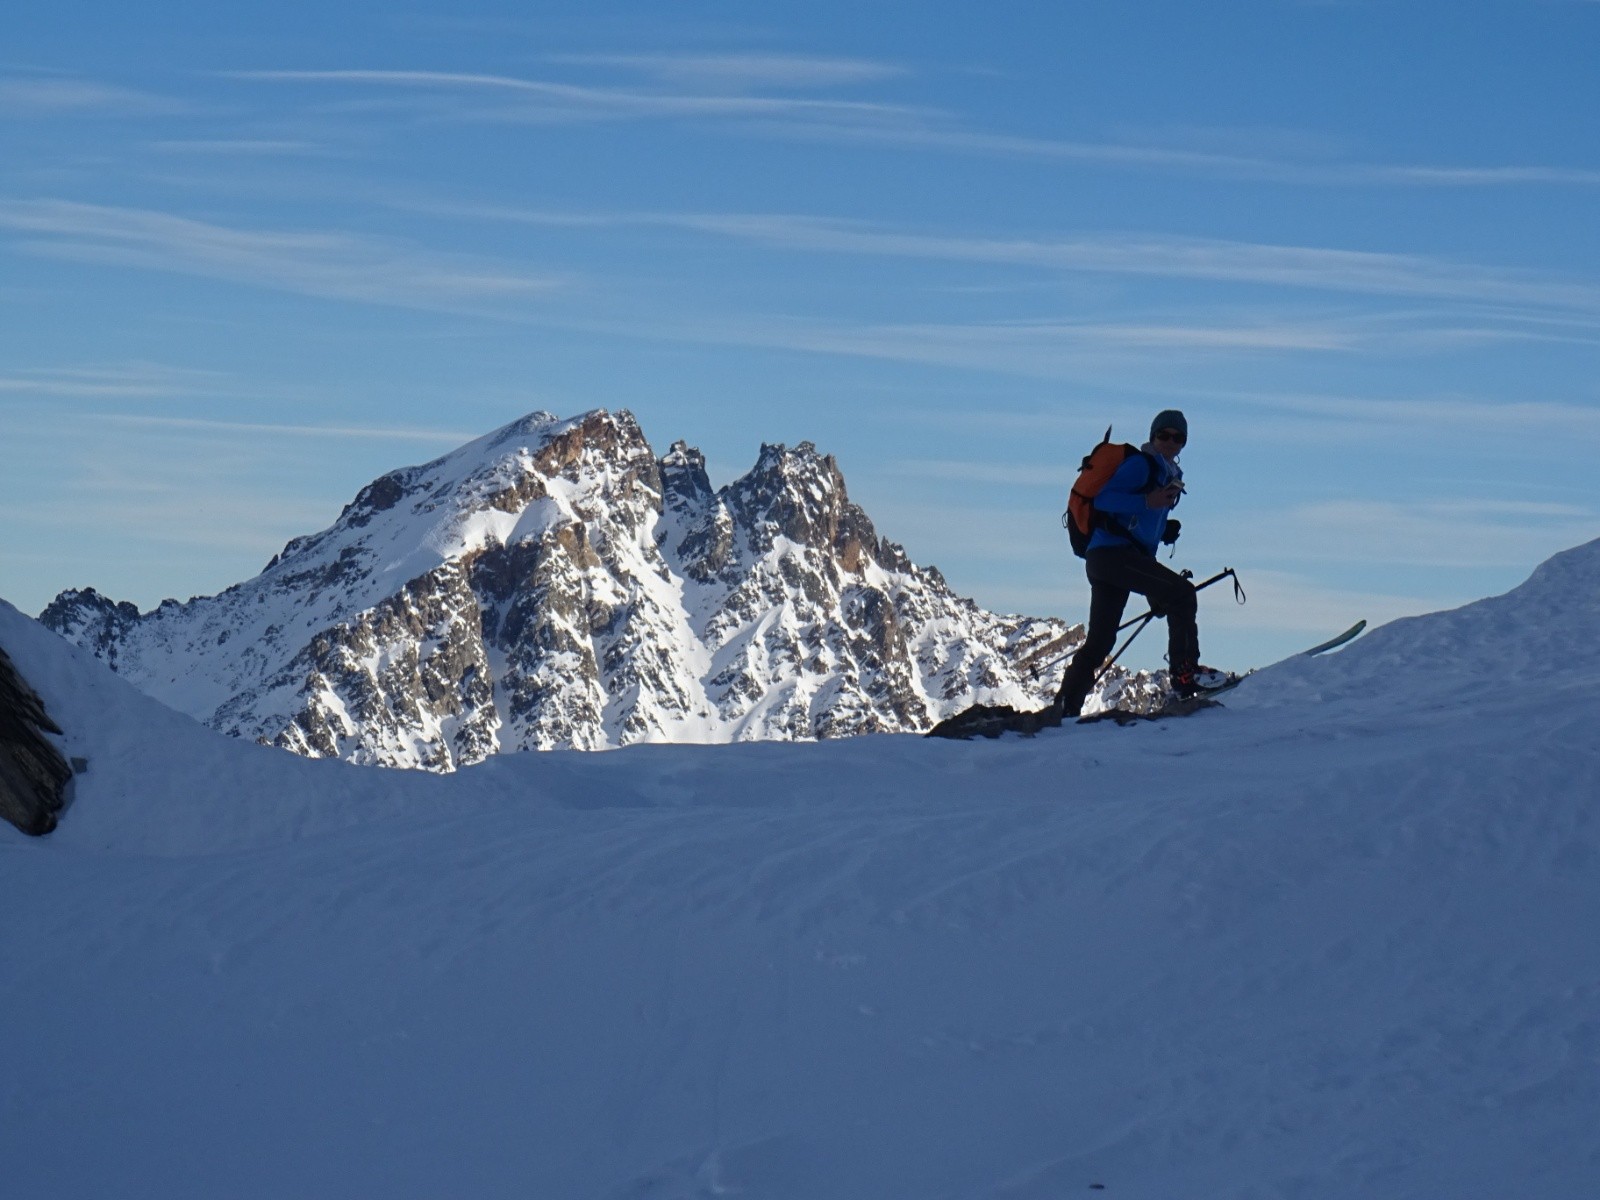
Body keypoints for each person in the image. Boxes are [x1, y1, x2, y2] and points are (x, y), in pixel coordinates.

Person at [1053, 409, 1225, 718]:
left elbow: (1138, 530)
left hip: (1109, 560)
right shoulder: (1141, 466)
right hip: (1112, 556)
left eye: (1178, 437)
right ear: (1153, 436)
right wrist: (1148, 502)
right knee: (1182, 594)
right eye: (1164, 435)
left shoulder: (1168, 474)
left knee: (1101, 639)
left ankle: (1065, 707)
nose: (1170, 441)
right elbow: (1104, 500)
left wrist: (1162, 531)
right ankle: (1185, 676)